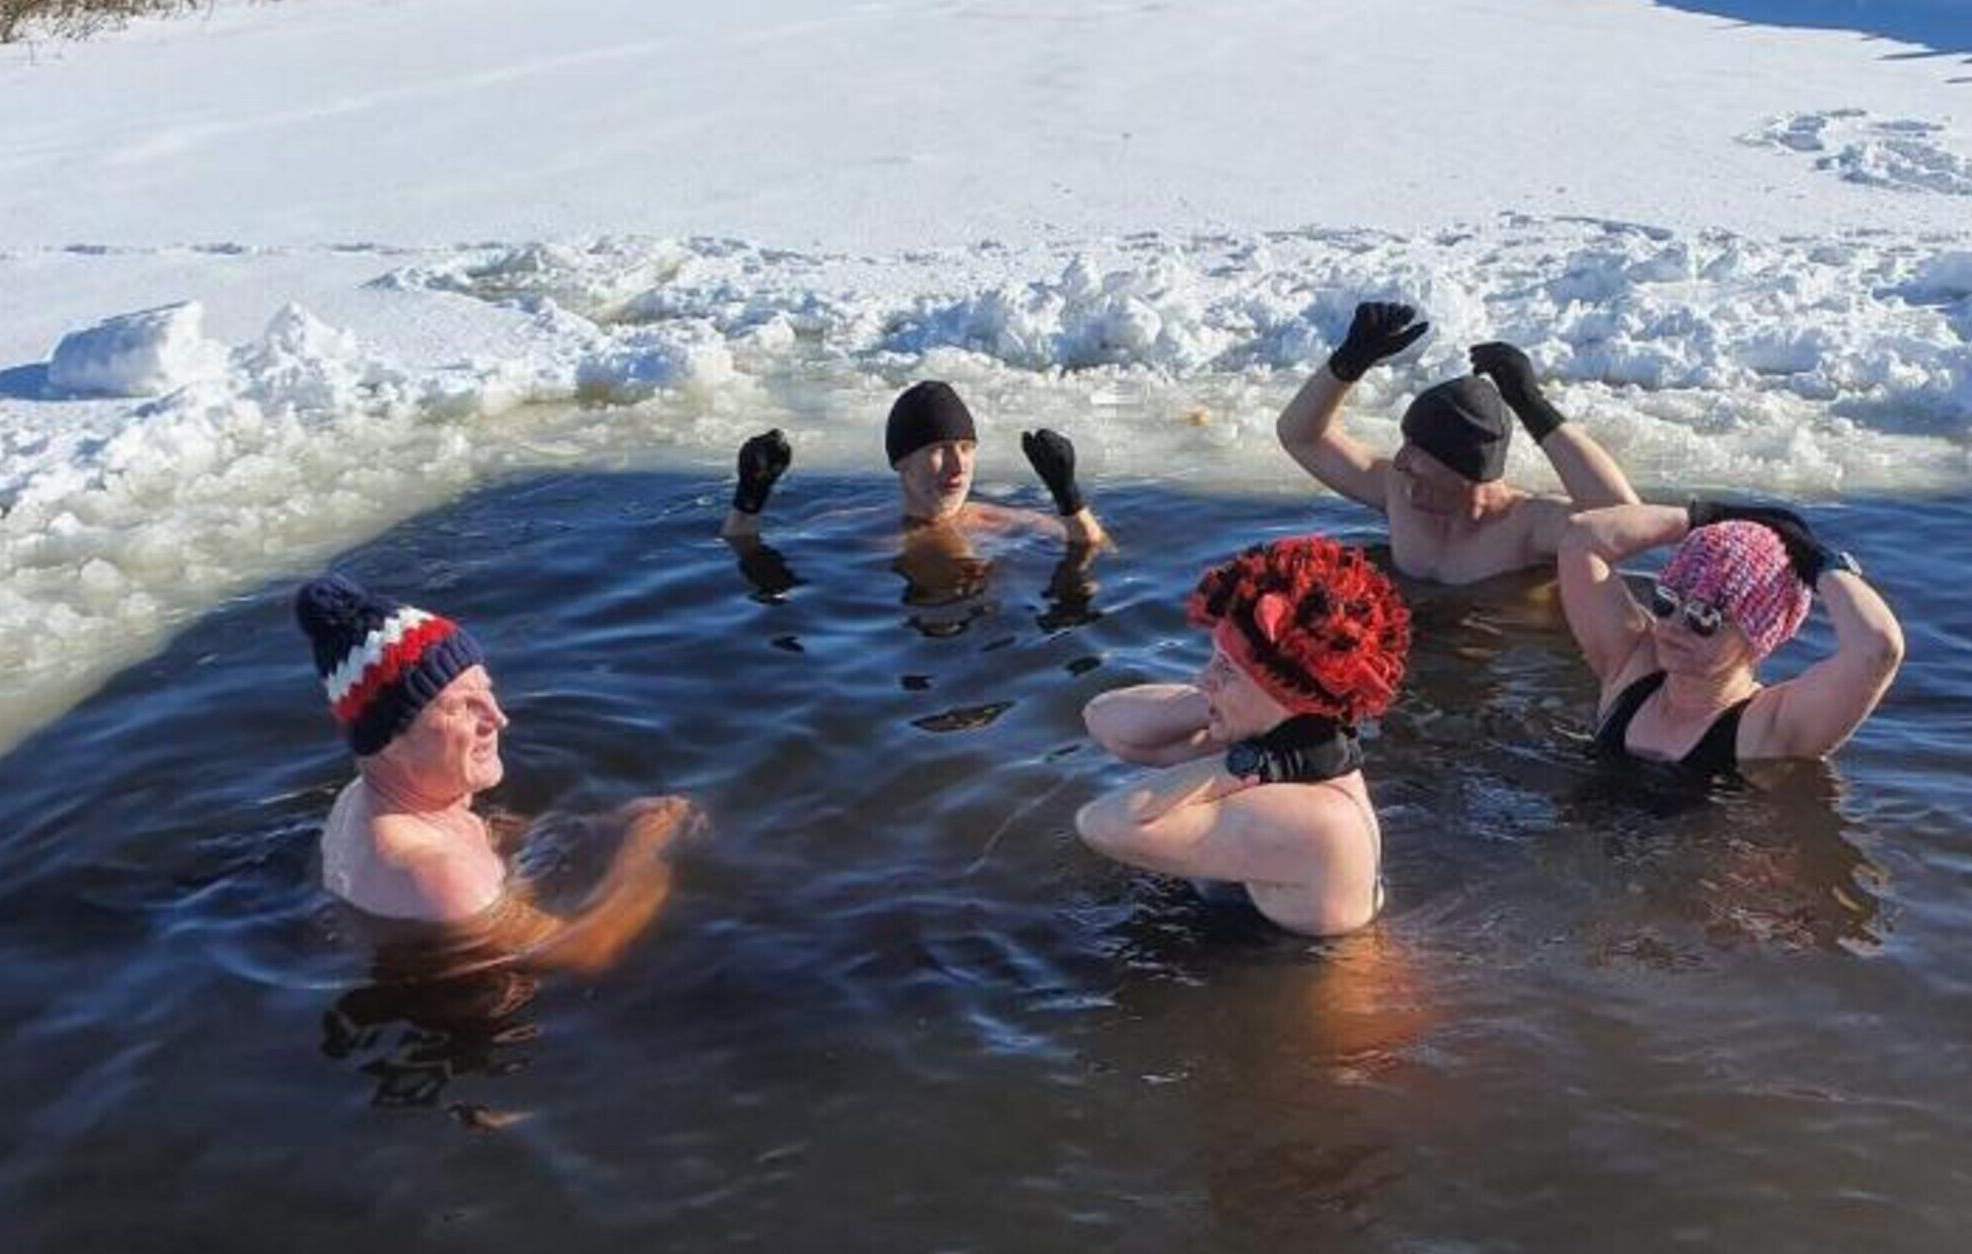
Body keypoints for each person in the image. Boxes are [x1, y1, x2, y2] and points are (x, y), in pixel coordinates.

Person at [295, 574, 695, 968]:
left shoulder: (368, 797)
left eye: (485, 691)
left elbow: (482, 837)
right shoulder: (435, 873)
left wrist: (603, 826)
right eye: (461, 707)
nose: (497, 718)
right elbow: (589, 947)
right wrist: (649, 848)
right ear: (390, 740)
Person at [1075, 537, 1411, 938]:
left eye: (1227, 670)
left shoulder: (1323, 819)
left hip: (1301, 976)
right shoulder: (1269, 739)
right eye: (1214, 659)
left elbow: (1102, 824)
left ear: (1286, 696)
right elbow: (1104, 721)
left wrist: (1243, 765)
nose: (1202, 678)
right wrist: (1217, 705)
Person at [1276, 300, 1641, 584]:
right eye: (1405, 445)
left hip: (1501, 648)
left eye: (1418, 453)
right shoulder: (1399, 492)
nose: (1400, 462)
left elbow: (1626, 522)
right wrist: (1347, 363)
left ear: (1466, 467)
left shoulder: (1527, 527)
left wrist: (1534, 407)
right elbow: (1301, 437)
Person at [1557, 499, 1905, 784]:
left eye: (1703, 616)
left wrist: (1822, 563)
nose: (1674, 626)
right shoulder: (1631, 667)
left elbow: (1878, 649)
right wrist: (1705, 516)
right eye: (1666, 601)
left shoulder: (1770, 728)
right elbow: (1581, 538)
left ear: (1758, 635)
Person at [722, 378, 1108, 552]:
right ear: (902, 462)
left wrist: (1068, 496)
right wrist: (750, 499)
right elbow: (745, 549)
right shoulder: (856, 529)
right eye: (940, 449)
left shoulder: (1006, 523)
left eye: (967, 447)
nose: (958, 464)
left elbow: (1100, 551)